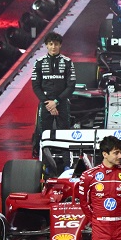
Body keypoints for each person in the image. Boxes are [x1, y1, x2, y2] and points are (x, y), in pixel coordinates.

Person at [30, 31, 76, 159]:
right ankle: (44, 165)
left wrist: (55, 102)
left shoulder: (68, 62)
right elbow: (35, 86)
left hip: (62, 104)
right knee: (43, 134)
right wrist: (48, 103)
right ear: (46, 45)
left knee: (64, 135)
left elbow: (71, 86)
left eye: (56, 44)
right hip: (45, 104)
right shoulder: (39, 63)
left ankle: (67, 165)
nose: (53, 47)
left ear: (60, 45)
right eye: (50, 44)